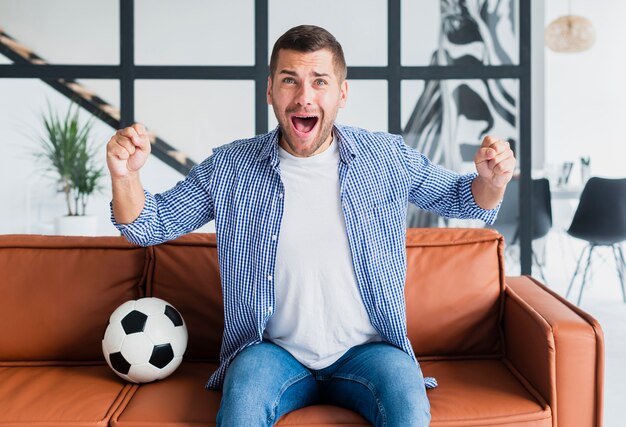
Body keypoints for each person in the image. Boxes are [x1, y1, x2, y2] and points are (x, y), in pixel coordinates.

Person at [106, 25, 515, 427]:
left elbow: (462, 198)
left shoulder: (387, 158)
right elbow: (147, 226)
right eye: (290, 80)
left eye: (319, 81)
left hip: (369, 351)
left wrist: (492, 182)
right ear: (270, 90)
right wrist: (125, 176)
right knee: (241, 411)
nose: (304, 97)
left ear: (342, 93)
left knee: (408, 409)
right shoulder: (229, 168)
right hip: (271, 352)